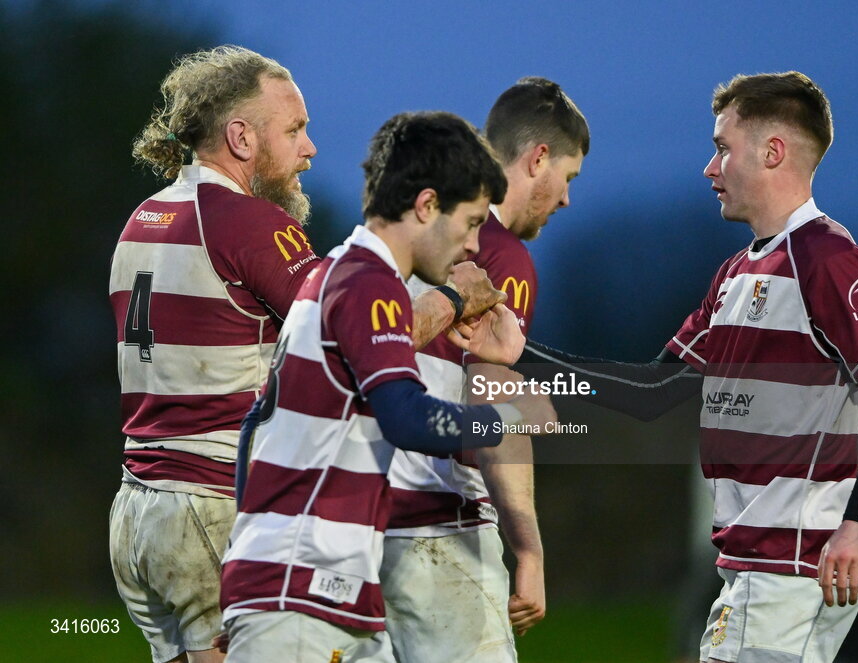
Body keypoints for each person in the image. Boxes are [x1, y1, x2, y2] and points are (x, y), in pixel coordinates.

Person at [109, 46, 505, 663]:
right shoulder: (248, 222)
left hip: (137, 512)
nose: (310, 148)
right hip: (210, 501)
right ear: (240, 138)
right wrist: (455, 299)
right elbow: (349, 332)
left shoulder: (144, 217)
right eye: (293, 130)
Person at [514, 71, 858, 663]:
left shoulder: (828, 259)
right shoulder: (734, 276)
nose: (710, 167)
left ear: (773, 151)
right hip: (750, 570)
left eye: (722, 148)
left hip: (793, 572)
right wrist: (521, 356)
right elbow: (655, 390)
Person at [218, 111, 557, 663]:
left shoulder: (331, 275)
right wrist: (512, 418)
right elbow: (407, 418)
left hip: (316, 594)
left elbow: (256, 430)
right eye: (470, 222)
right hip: (302, 592)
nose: (475, 245)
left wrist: (244, 574)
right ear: (426, 206)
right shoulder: (367, 281)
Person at [381, 77, 588, 663]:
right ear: (537, 158)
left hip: (357, 523)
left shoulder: (404, 228)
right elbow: (490, 402)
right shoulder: (499, 255)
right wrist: (529, 553)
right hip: (441, 527)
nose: (566, 200)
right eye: (567, 179)